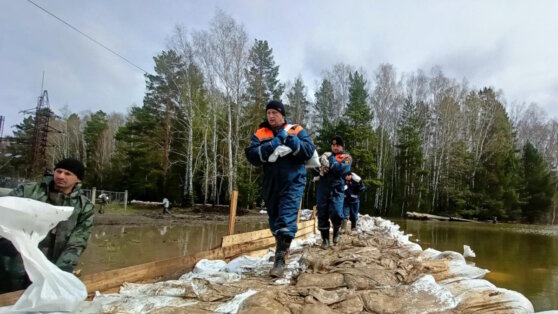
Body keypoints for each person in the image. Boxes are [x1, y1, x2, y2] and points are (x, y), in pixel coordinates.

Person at [0, 158, 94, 293]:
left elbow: (77, 241)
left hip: (48, 264)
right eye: (58, 171)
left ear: (78, 180)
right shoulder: (28, 191)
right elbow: (4, 214)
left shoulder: (84, 207)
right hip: (13, 262)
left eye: (67, 174)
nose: (61, 176)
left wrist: (63, 269)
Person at [245, 100, 315, 277]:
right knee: (275, 221)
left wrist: (292, 141)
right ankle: (282, 248)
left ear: (282, 114)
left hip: (293, 181)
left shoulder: (296, 130)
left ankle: (280, 259)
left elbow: (308, 150)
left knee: (286, 219)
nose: (271, 116)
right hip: (271, 184)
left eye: (274, 113)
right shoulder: (261, 133)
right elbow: (252, 155)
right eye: (268, 113)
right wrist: (272, 144)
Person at [316, 135, 351, 248]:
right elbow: (314, 167)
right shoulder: (325, 155)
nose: (335, 147)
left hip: (337, 188)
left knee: (336, 212)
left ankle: (336, 229)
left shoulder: (346, 157)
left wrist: (330, 165)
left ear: (342, 146)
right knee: (322, 213)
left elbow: (342, 169)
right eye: (333, 145)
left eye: (338, 145)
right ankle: (325, 239)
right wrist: (319, 167)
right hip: (323, 188)